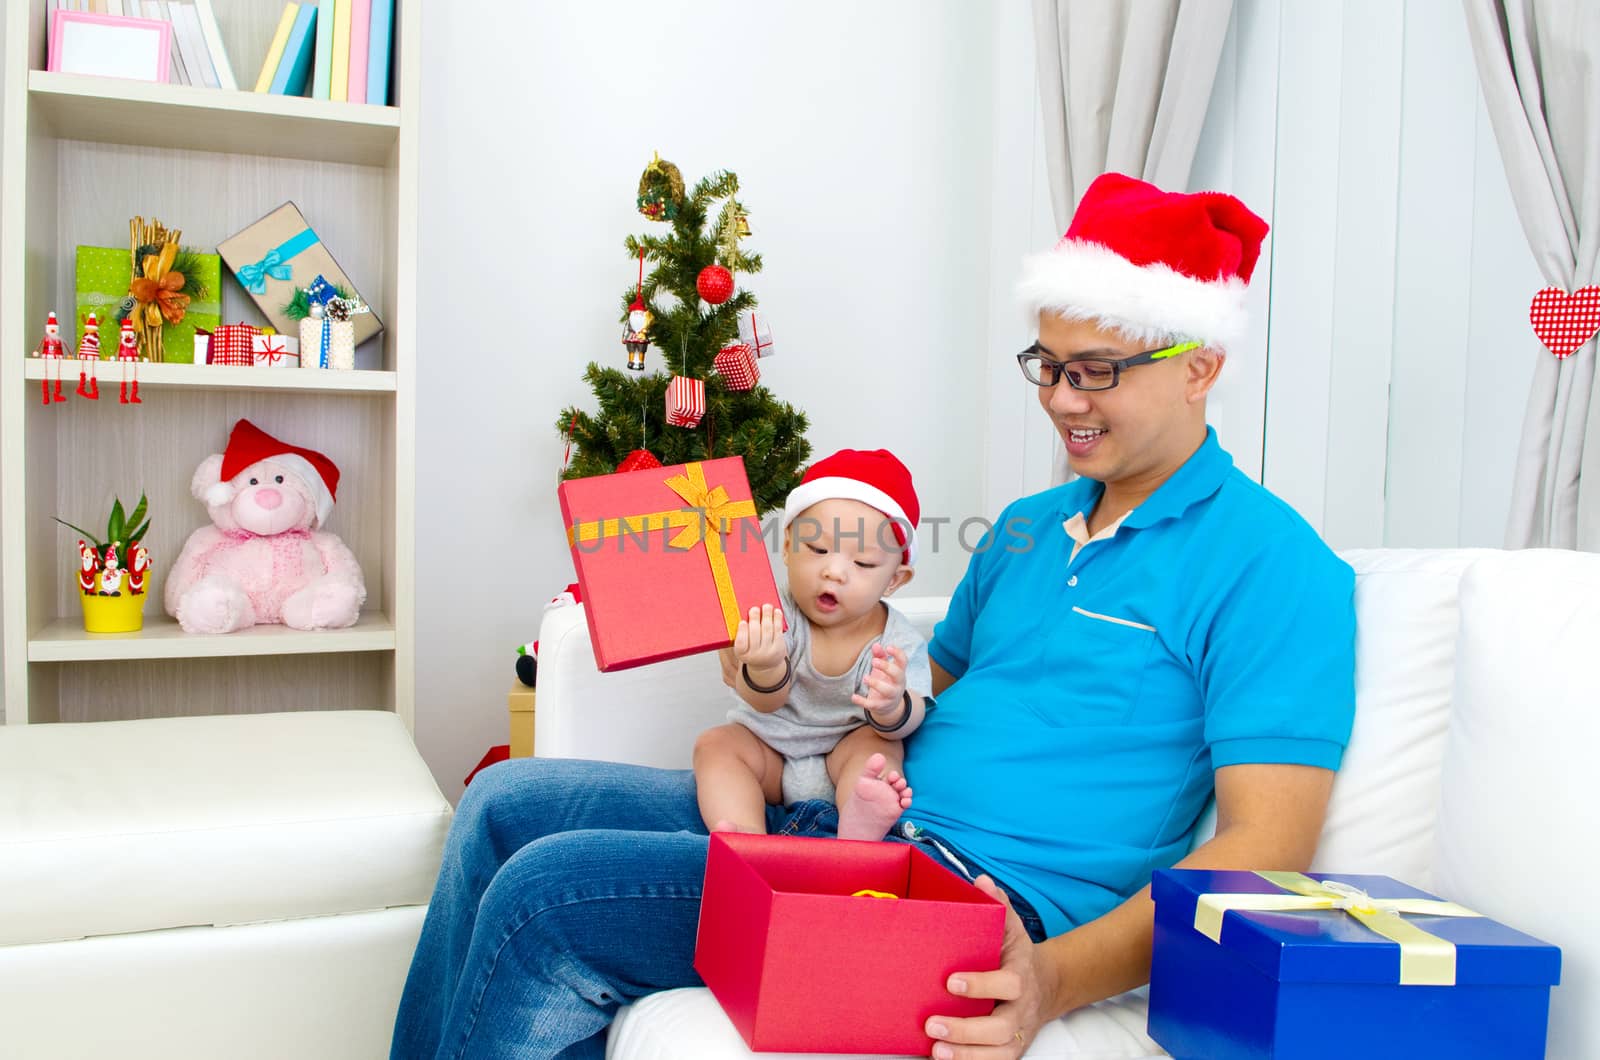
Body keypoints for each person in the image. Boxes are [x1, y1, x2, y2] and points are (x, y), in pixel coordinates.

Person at [390, 172, 1356, 1060]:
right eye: (1047, 365)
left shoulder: (1274, 565)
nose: (1063, 401)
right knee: (503, 806)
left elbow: (1265, 850)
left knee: (547, 901)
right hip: (863, 825)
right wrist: (772, 677)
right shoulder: (1027, 528)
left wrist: (1051, 979)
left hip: (978, 899)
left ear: (1202, 365)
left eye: (1096, 369)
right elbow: (913, 693)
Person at [694, 448, 931, 841]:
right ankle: (745, 840)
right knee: (716, 745)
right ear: (787, 547)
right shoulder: (774, 611)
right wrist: (765, 664)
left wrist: (893, 705)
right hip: (768, 749)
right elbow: (763, 701)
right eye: (818, 550)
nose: (833, 571)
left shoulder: (898, 640)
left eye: (863, 564)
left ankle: (859, 824)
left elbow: (912, 717)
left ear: (894, 579)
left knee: (878, 754)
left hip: (845, 752)